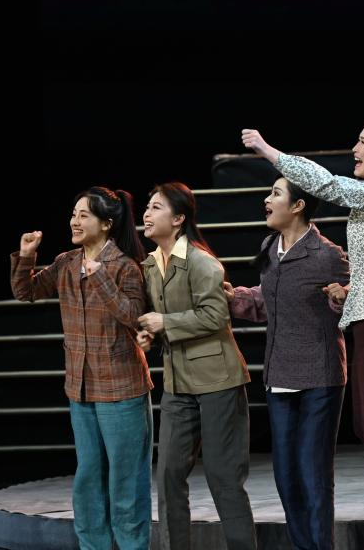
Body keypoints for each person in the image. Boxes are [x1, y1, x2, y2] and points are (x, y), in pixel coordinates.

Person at [242, 118, 364, 550]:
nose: (355, 148)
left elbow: (327, 185)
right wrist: (353, 290)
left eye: (363, 142)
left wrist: (268, 151)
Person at [11, 186, 152, 550]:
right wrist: (26, 257)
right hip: (81, 388)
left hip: (121, 389)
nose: (74, 221)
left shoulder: (125, 266)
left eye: (83, 215)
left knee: (126, 479)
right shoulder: (66, 262)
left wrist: (100, 277)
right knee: (88, 476)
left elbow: (134, 316)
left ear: (106, 224)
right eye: (73, 214)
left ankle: (132, 545)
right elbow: (27, 292)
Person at [222, 177, 350, 550]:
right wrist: (234, 297)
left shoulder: (327, 254)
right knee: (286, 475)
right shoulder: (270, 246)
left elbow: (354, 298)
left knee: (313, 473)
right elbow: (267, 298)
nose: (267, 199)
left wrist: (340, 297)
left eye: (276, 193)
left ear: (297, 205)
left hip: (319, 376)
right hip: (279, 373)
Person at [137, 182, 255, 550]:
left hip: (218, 379)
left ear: (178, 218)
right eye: (147, 207)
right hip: (177, 383)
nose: (147, 214)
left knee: (224, 476)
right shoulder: (151, 265)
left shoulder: (202, 262)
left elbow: (215, 315)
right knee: (168, 474)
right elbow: (165, 318)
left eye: (156, 207)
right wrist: (152, 335)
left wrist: (164, 323)